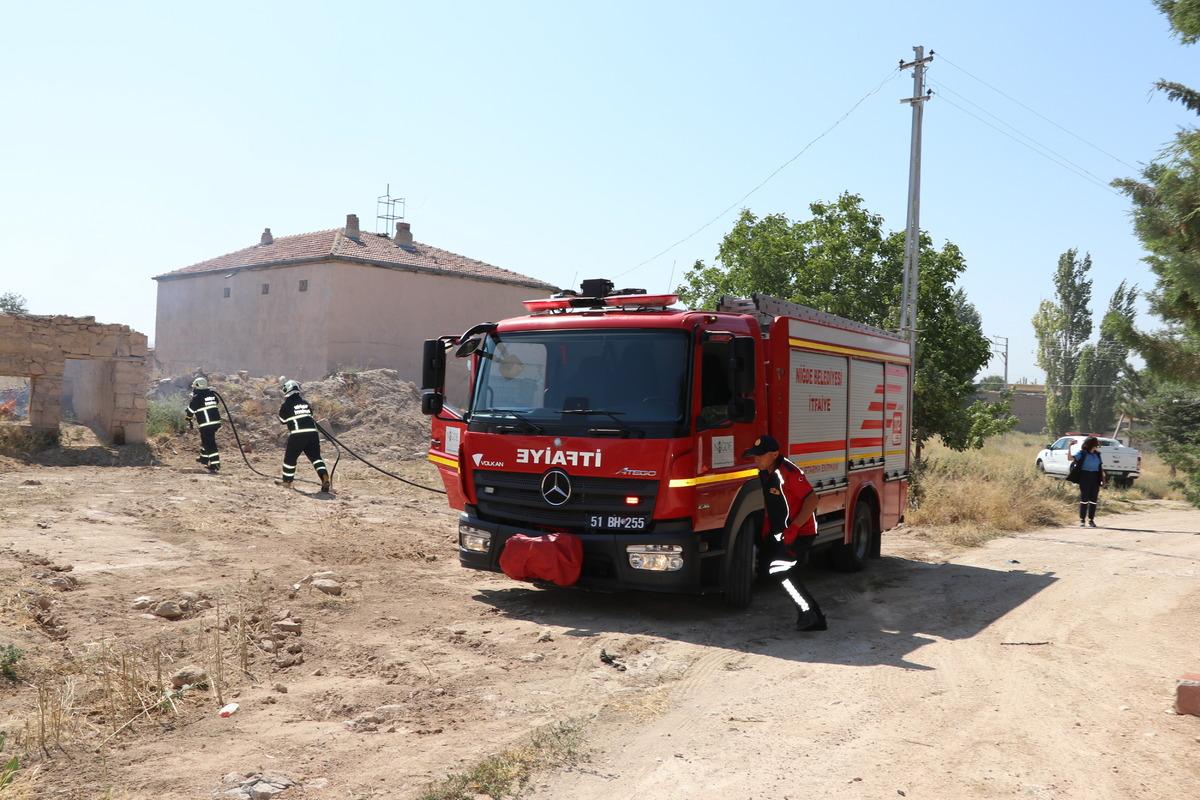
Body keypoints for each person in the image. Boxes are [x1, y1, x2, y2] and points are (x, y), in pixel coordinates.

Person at [744, 434, 827, 631]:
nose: (756, 459)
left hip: (801, 532)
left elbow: (812, 500)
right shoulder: (765, 472)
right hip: (782, 532)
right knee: (783, 571)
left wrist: (795, 527)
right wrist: (767, 524)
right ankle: (813, 616)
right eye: (754, 456)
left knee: (779, 569)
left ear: (774, 454)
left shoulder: (788, 472)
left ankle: (809, 614)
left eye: (760, 456)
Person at [277, 379, 331, 492]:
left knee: (290, 459)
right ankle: (324, 477)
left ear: (287, 392)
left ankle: (287, 482)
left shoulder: (286, 405)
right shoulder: (305, 403)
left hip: (298, 434)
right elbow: (310, 414)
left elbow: (282, 420)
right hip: (313, 434)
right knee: (316, 458)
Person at [184, 377, 221, 473]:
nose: (193, 389)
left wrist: (188, 417)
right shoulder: (211, 394)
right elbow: (216, 401)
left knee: (209, 443)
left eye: (194, 387)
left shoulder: (198, 397)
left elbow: (191, 409)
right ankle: (204, 458)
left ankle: (215, 464)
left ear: (197, 386)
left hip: (207, 423)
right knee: (207, 440)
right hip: (215, 422)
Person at [1073, 436, 1106, 527]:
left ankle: (1091, 520)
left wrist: (1103, 479)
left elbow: (1101, 467)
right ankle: (1082, 520)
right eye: (1096, 444)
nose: (1097, 446)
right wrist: (1069, 447)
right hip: (1085, 476)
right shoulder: (1082, 453)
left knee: (1093, 499)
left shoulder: (1098, 454)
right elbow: (1070, 458)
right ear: (1092, 444)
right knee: (1084, 498)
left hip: (1095, 477)